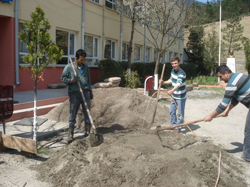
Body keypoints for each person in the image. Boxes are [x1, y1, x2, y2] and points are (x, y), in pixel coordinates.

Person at [204, 64, 250, 162]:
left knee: (248, 131)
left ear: (226, 73)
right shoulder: (238, 76)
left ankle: (247, 157)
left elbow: (222, 105)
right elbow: (236, 99)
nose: (221, 79)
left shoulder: (232, 83)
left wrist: (211, 116)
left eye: (221, 77)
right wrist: (227, 111)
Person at [61, 49, 93, 143]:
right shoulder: (69, 67)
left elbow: (89, 79)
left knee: (87, 113)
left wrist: (90, 91)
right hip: (75, 94)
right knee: (73, 114)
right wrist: (71, 81)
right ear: (76, 58)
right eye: (81, 60)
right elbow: (63, 78)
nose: (82, 62)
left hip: (85, 92)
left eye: (84, 60)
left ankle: (87, 132)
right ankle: (71, 134)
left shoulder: (86, 67)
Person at [159, 57, 187, 133]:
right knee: (171, 111)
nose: (174, 65)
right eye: (172, 64)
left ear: (179, 63)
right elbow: (171, 80)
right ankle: (173, 125)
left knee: (180, 113)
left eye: (175, 63)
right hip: (174, 96)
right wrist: (163, 82)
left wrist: (172, 90)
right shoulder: (172, 71)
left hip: (181, 96)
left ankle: (178, 127)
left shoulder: (182, 73)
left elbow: (178, 84)